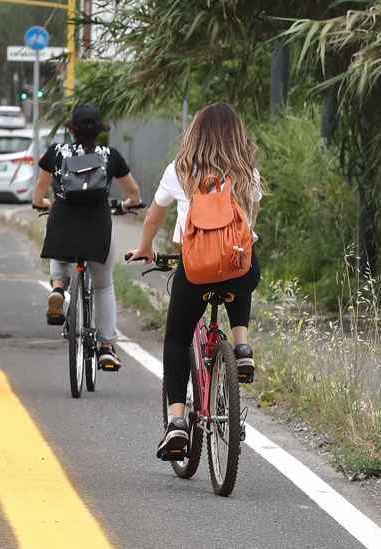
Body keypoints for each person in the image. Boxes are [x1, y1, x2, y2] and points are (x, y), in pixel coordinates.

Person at [127, 102, 264, 461]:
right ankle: (242, 346)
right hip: (239, 266)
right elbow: (250, 227)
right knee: (240, 271)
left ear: (195, 133)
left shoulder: (181, 171)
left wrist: (144, 248)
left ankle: (176, 422)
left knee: (176, 339)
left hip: (196, 270)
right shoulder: (248, 172)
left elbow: (154, 216)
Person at [32, 104, 141, 372]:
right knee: (103, 286)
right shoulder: (110, 155)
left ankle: (58, 288)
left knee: (57, 243)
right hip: (97, 226)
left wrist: (45, 203)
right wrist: (128, 203)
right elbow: (134, 193)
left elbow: (38, 195)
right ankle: (106, 346)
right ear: (99, 130)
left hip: (64, 221)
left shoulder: (56, 153)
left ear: (71, 129)